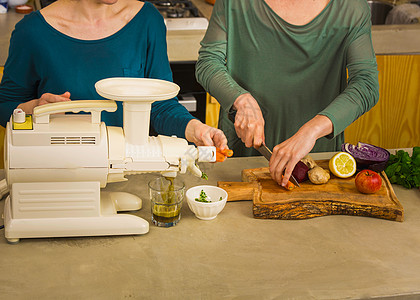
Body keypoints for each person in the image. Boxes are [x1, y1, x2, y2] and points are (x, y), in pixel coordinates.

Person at [196, 0, 379, 186]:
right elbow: (208, 63)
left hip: (315, 160)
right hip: (247, 153)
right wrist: (240, 100)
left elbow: (366, 83)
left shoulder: (351, 6)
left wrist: (312, 131)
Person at [0, 0, 227, 150]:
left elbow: (160, 106)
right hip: (58, 172)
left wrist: (197, 129)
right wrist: (34, 108)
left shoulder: (147, 20)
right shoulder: (32, 32)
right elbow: (5, 105)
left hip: (127, 172)